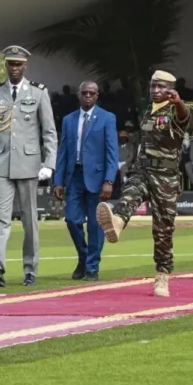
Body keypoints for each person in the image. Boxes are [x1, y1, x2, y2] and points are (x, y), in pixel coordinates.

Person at [96, 70, 193, 297]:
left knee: (163, 230)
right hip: (143, 169)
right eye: (153, 86)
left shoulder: (179, 107)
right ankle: (116, 221)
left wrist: (179, 103)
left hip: (166, 176)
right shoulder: (147, 110)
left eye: (161, 87)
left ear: (171, 89)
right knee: (129, 194)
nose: (155, 91)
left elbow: (190, 127)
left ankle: (162, 276)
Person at [0, 46, 57, 287]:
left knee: (29, 219)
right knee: (1, 219)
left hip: (29, 163)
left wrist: (49, 164)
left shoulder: (38, 93)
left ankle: (30, 268)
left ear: (25, 66)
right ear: (5, 65)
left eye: (18, 64)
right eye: (10, 64)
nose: (14, 68)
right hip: (1, 164)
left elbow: (49, 132)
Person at [53, 81, 118, 282]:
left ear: (97, 96)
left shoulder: (107, 118)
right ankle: (83, 257)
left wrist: (109, 180)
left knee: (95, 225)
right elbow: (63, 152)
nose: (88, 96)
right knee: (72, 220)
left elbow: (111, 151)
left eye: (92, 93)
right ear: (78, 95)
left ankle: (92, 266)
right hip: (74, 176)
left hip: (98, 178)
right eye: (84, 93)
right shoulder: (68, 120)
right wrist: (58, 181)